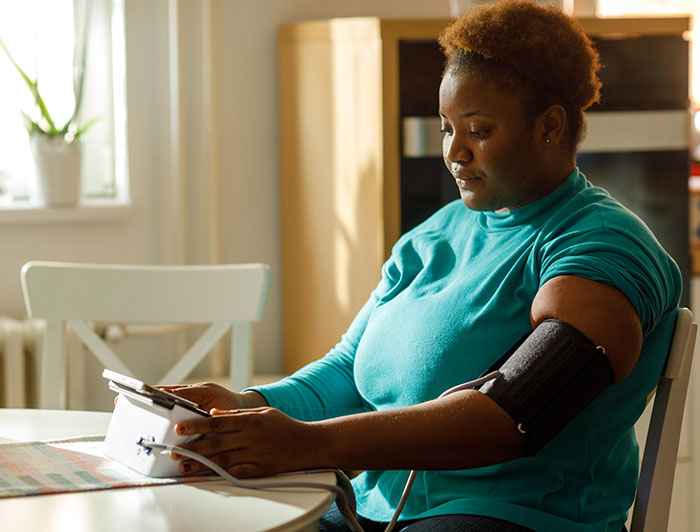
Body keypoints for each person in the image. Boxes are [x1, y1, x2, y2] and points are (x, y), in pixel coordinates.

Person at [162, 1, 682, 531]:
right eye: (445, 128)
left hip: (514, 519)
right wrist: (243, 407)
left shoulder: (602, 244)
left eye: (478, 130)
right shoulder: (434, 236)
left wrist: (308, 443)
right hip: (370, 512)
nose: (455, 152)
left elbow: (517, 413)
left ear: (549, 126)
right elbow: (348, 371)